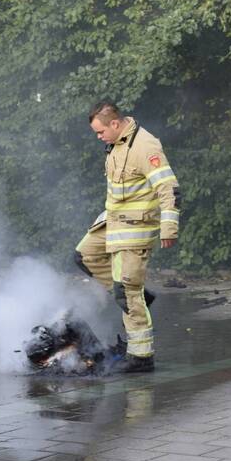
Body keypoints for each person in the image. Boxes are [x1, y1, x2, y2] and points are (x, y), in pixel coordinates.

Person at [74, 101, 180, 373]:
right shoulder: (116, 144)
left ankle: (142, 358)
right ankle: (135, 294)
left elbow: (168, 187)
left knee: (127, 292)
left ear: (115, 123)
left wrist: (169, 227)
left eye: (100, 132)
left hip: (134, 230)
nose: (99, 138)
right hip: (113, 224)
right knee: (82, 256)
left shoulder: (145, 146)